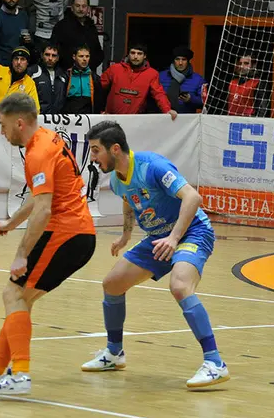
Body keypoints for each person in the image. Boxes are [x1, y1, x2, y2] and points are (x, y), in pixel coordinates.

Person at [0, 92, 96, 394]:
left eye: (3, 126)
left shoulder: (37, 152)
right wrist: (12, 222)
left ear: (19, 123)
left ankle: (19, 375)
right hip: (77, 233)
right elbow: (40, 196)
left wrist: (21, 254)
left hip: (66, 233)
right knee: (20, 299)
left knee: (13, 294)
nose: (2, 133)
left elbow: (44, 209)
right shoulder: (46, 139)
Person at [81, 121, 230, 388]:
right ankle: (114, 353)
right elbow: (129, 202)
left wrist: (174, 238)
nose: (92, 158)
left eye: (95, 150)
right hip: (159, 239)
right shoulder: (117, 181)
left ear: (115, 149)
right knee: (112, 284)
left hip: (192, 232)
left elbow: (193, 198)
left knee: (180, 285)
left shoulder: (152, 166)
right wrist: (126, 235)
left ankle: (215, 362)